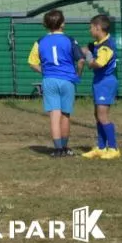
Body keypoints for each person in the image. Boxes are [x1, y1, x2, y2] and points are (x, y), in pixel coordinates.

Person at [27, 9, 84, 158]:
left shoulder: (40, 41)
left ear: (45, 25)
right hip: (67, 80)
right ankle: (65, 148)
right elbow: (81, 60)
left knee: (54, 115)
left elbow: (32, 63)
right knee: (65, 115)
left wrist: (45, 72)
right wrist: (77, 74)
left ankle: (57, 149)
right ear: (63, 24)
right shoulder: (69, 40)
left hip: (49, 80)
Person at [81, 14, 121, 160]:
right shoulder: (98, 43)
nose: (90, 30)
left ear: (98, 28)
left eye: (91, 27)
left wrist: (89, 58)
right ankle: (101, 147)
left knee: (103, 116)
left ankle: (113, 148)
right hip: (99, 82)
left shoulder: (107, 46)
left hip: (106, 82)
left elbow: (98, 64)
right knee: (97, 115)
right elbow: (86, 49)